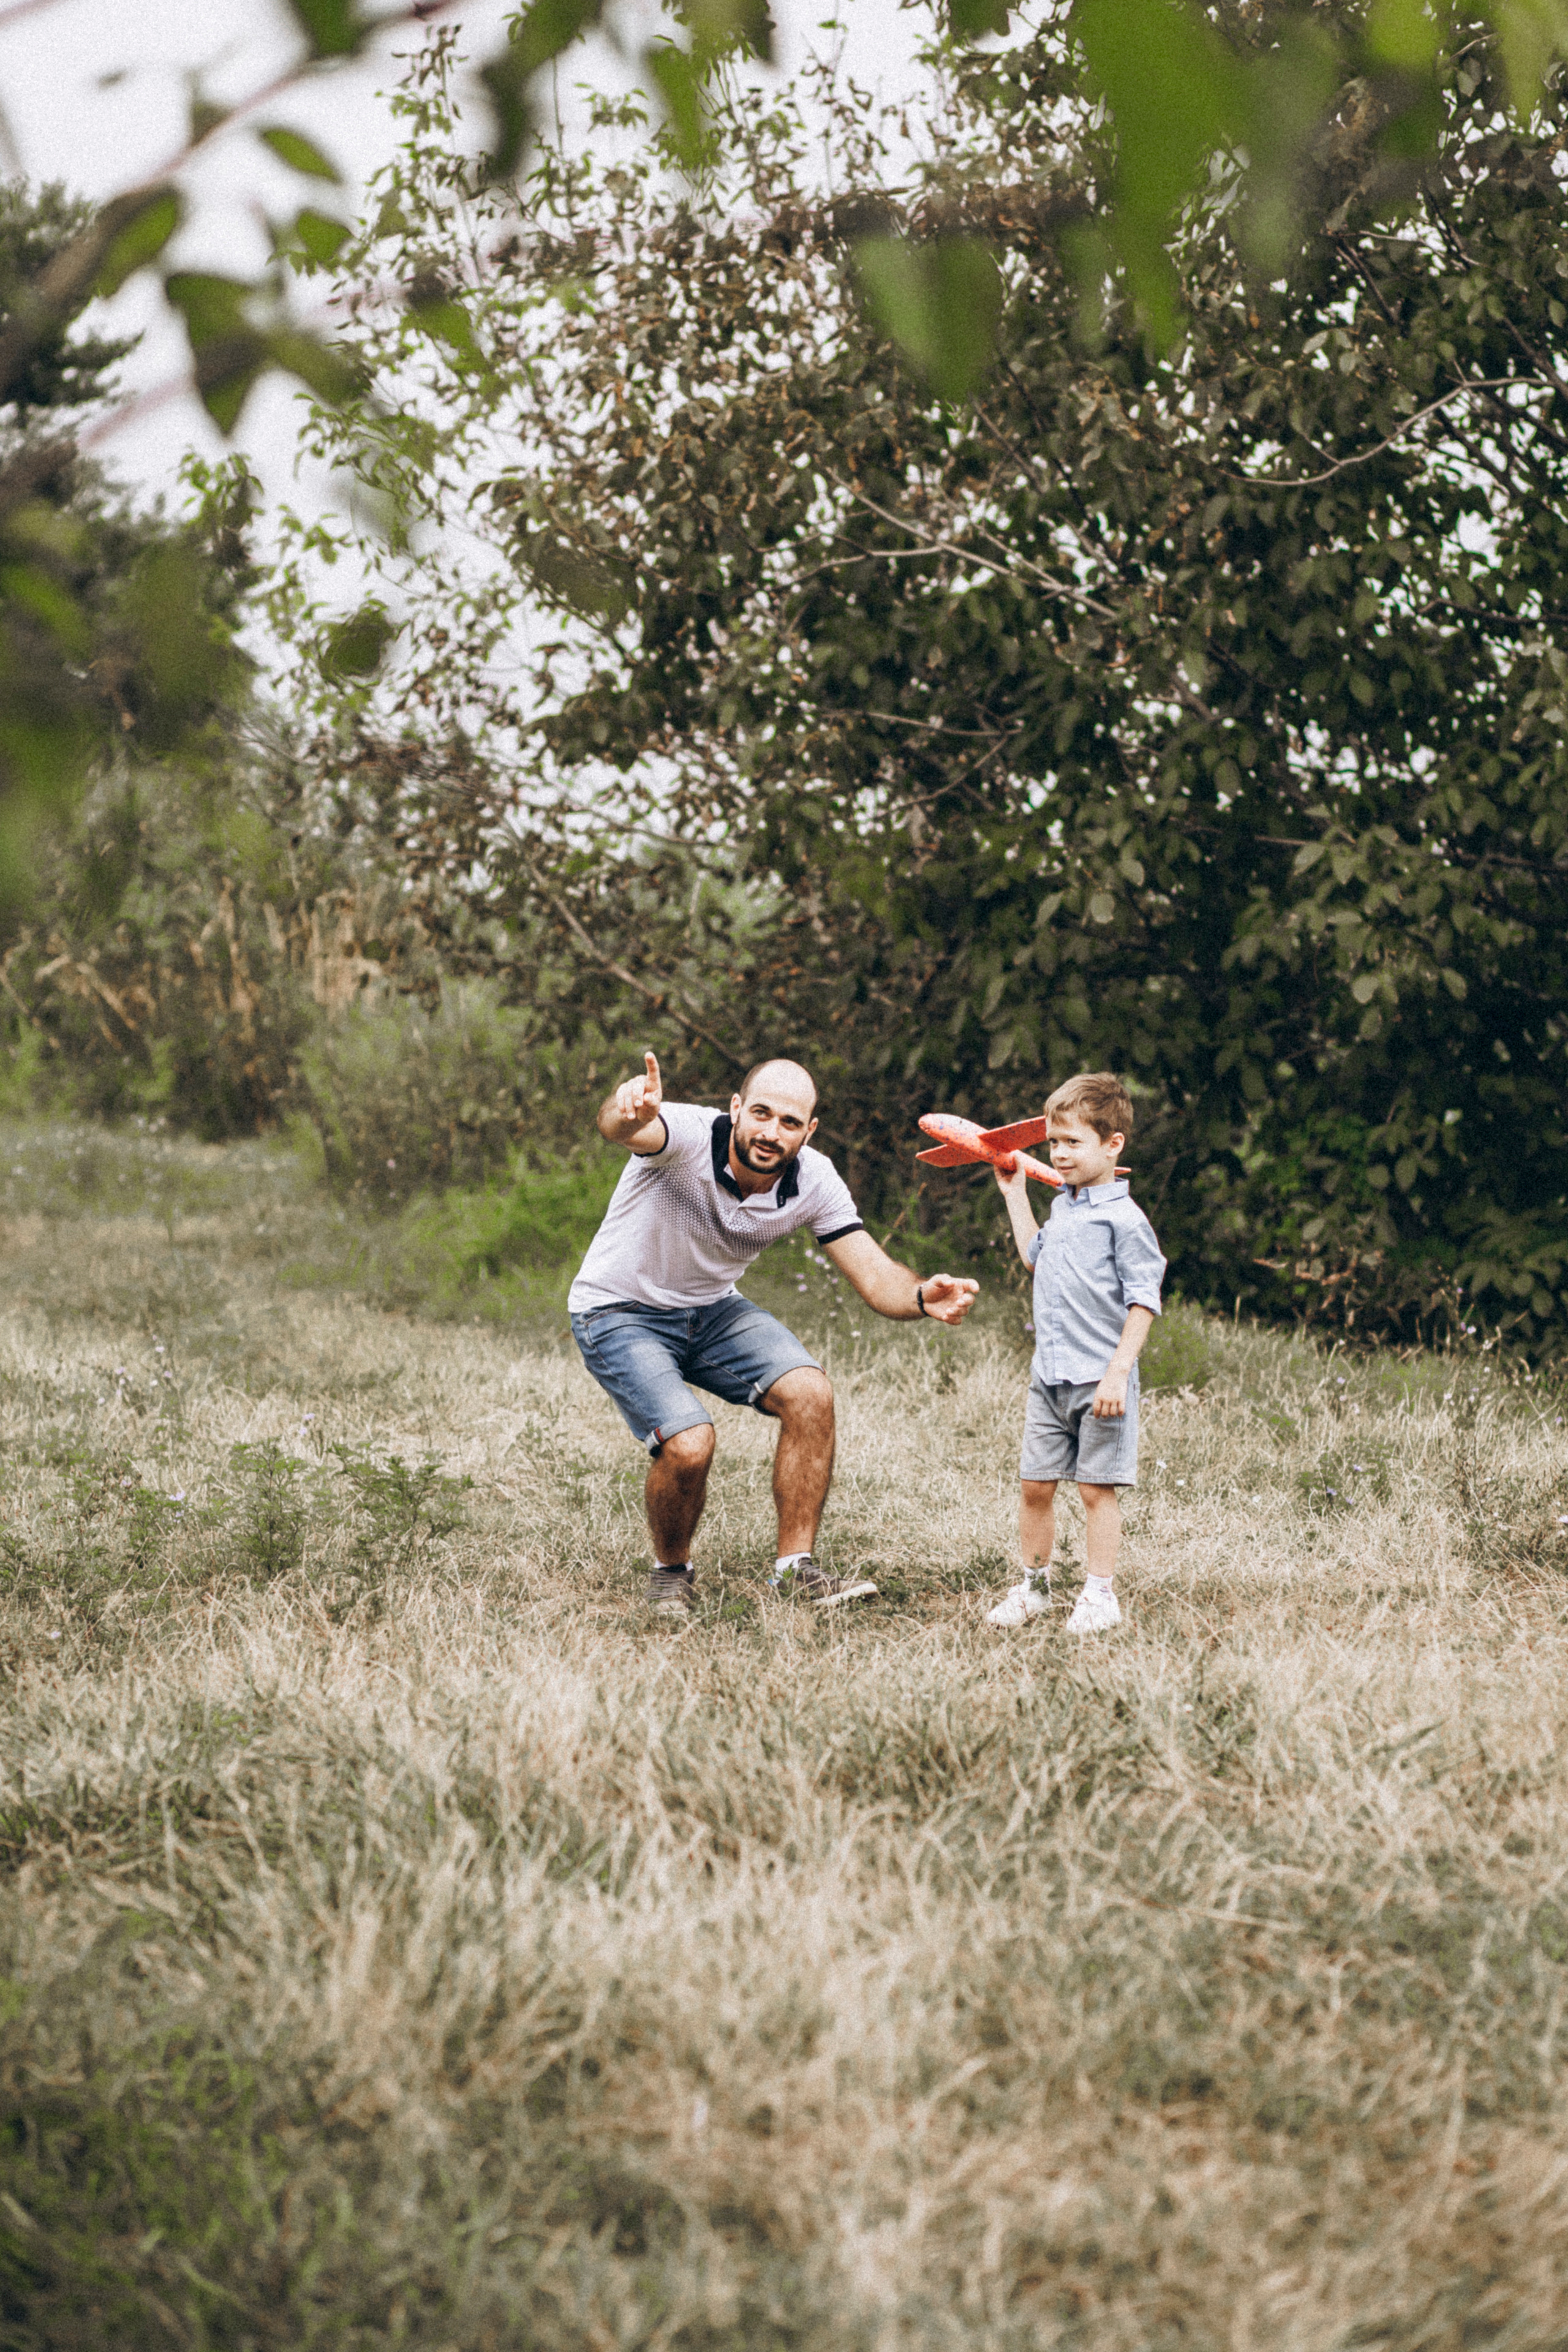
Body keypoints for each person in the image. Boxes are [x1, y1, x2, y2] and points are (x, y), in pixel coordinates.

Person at [568, 1050, 979, 1615]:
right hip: (618, 1310)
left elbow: (875, 1275)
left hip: (712, 1309)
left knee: (811, 1394)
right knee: (689, 1445)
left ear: (809, 1131)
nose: (771, 1133)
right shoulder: (688, 1135)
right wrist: (627, 1110)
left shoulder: (814, 1179)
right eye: (761, 1114)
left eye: (790, 1122)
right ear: (736, 1108)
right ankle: (671, 1573)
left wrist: (920, 1297)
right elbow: (624, 1129)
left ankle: (795, 1570)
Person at [984, 1070, 1166, 1634]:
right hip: (1051, 1377)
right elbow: (1035, 1257)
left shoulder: (1125, 1221)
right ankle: (1034, 1588)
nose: (1059, 1154)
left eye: (1072, 1142)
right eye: (1053, 1142)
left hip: (1100, 1382)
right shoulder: (1063, 1208)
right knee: (1035, 1486)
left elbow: (1144, 1301)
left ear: (1113, 1145)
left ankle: (1100, 1596)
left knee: (1094, 1490)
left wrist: (1118, 1373)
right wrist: (1016, 1195)